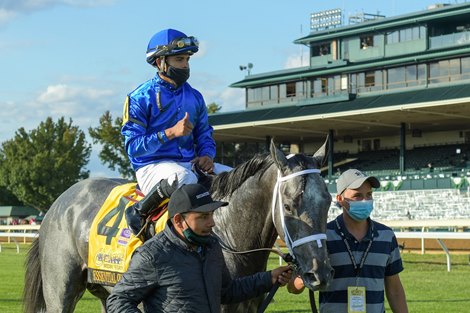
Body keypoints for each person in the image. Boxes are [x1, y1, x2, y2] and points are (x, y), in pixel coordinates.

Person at [106, 183, 292, 313]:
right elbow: (118, 301)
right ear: (179, 220)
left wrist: (269, 278)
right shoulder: (152, 255)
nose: (212, 222)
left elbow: (226, 291)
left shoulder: (211, 246)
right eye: (203, 217)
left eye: (212, 214)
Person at [122, 28, 231, 233]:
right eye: (179, 60)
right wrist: (169, 133)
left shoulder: (196, 97)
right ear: (160, 62)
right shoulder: (138, 97)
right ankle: (139, 212)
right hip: (151, 165)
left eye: (187, 60)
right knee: (184, 179)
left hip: (189, 164)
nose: (185, 66)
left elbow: (204, 134)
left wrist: (207, 155)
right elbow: (133, 147)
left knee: (236, 178)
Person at [287, 169, 408, 313]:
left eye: (369, 195)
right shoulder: (323, 236)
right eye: (357, 196)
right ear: (340, 199)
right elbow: (292, 287)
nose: (365, 200)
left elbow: (395, 290)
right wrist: (304, 278)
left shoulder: (386, 236)